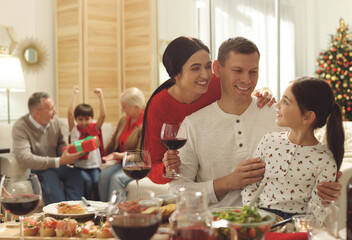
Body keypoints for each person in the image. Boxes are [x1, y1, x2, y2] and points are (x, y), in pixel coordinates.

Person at [169, 37, 343, 208]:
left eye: (253, 71)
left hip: (275, 226)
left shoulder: (279, 116)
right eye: (237, 71)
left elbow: (310, 163)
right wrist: (227, 183)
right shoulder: (193, 124)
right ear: (217, 69)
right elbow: (175, 191)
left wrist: (327, 190)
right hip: (218, 226)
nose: (247, 80)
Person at [140, 36, 275, 185]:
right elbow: (153, 165)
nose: (206, 75)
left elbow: (242, 89)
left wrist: (263, 95)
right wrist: (167, 169)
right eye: (195, 68)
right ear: (176, 74)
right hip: (196, 176)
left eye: (207, 66)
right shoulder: (159, 106)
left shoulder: (215, 83)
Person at [241, 77, 344, 219]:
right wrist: (252, 217)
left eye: (285, 102)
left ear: (308, 117)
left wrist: (294, 229)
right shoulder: (268, 141)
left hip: (296, 226)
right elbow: (250, 187)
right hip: (260, 219)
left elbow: (317, 211)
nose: (277, 105)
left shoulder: (325, 161)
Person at [12, 92, 84, 205]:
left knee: (74, 173)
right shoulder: (21, 127)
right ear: (37, 113)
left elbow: (61, 144)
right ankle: (59, 214)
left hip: (55, 165)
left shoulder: (55, 122)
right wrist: (59, 161)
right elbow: (25, 158)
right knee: (49, 175)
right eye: (51, 109)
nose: (55, 111)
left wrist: (68, 152)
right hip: (36, 168)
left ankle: (75, 211)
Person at [98, 87, 145, 202]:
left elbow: (140, 155)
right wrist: (100, 153)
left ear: (136, 107)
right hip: (122, 162)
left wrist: (119, 156)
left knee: (117, 178)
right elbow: (113, 141)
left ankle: (118, 214)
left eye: (125, 107)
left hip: (139, 164)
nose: (122, 109)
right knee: (103, 176)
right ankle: (105, 212)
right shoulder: (124, 119)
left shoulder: (145, 124)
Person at [67, 86, 106, 200]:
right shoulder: (74, 131)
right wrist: (74, 94)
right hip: (79, 167)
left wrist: (100, 96)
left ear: (92, 118)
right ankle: (86, 205)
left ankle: (99, 206)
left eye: (87, 119)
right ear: (76, 120)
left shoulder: (94, 130)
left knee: (96, 181)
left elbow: (103, 115)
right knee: (87, 182)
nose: (84, 122)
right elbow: (69, 113)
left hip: (94, 167)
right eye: (80, 119)